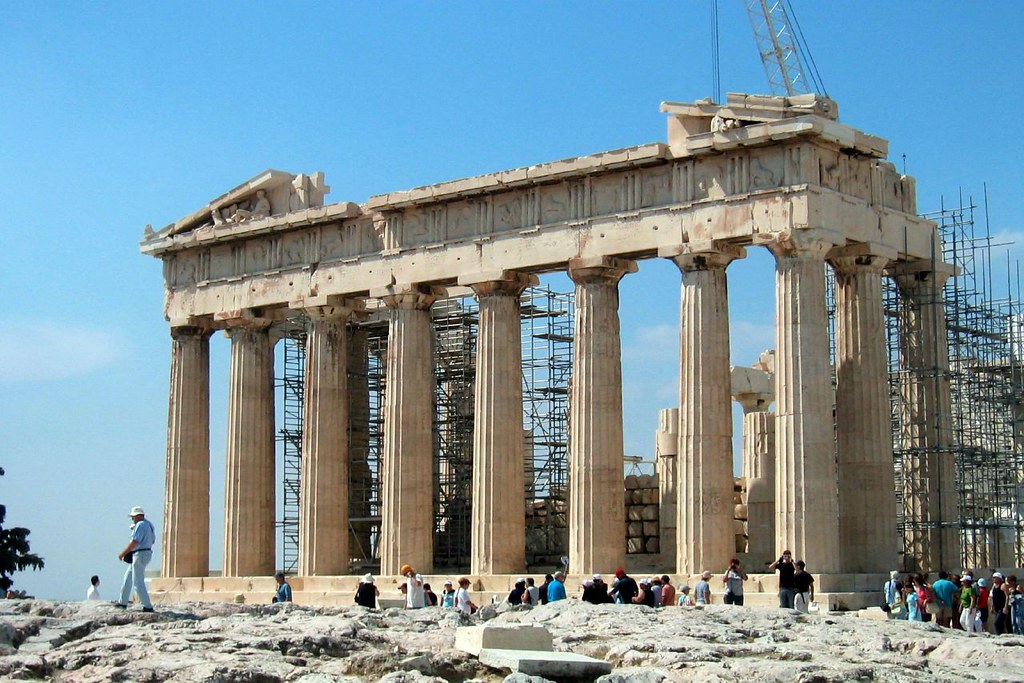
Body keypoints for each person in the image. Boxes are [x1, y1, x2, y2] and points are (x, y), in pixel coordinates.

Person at [116, 506, 155, 612]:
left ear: (138, 516)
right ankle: (122, 602)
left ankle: (147, 606)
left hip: (140, 554)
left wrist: (123, 553)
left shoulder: (140, 525)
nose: (132, 519)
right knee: (128, 577)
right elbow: (152, 540)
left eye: (133, 517)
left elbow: (135, 542)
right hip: (145, 552)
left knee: (137, 582)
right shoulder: (149, 525)